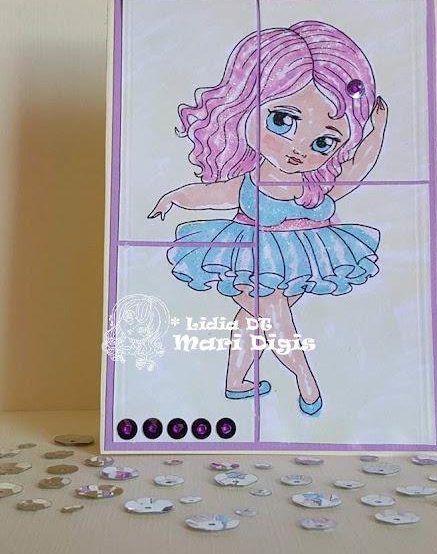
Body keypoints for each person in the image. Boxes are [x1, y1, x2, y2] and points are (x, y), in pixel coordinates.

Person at [148, 20, 388, 416]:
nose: (299, 149)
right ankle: (305, 379)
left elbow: (354, 171)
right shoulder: (250, 181)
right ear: (245, 107)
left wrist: (376, 131)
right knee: (274, 316)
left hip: (300, 259)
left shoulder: (314, 185)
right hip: (248, 255)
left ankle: (236, 381)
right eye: (281, 121)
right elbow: (210, 194)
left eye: (324, 142)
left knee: (254, 317)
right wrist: (174, 198)